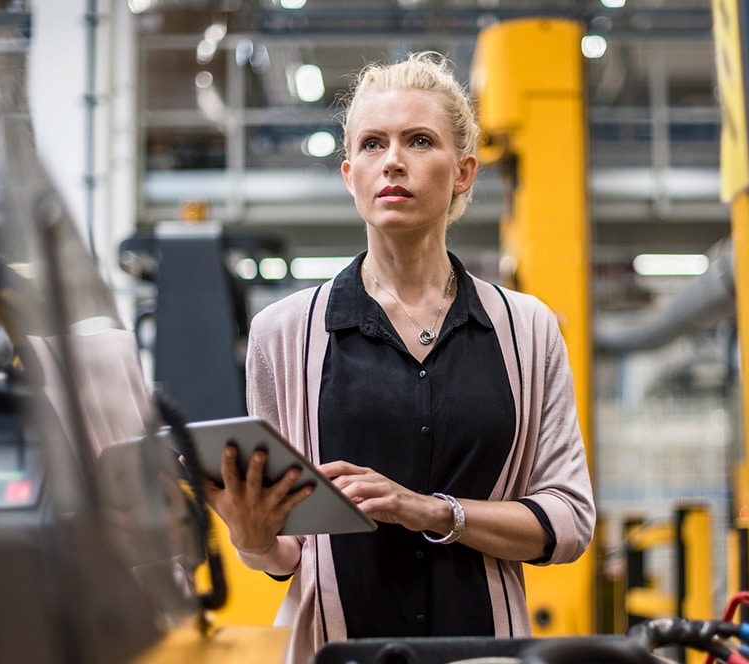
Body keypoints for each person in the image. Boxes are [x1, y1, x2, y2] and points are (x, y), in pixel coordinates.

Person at [201, 51, 596, 663]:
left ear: (463, 172)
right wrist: (251, 539)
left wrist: (430, 511)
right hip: (337, 650)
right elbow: (283, 551)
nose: (392, 161)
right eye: (371, 144)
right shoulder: (283, 334)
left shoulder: (527, 331)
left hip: (484, 652)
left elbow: (568, 521)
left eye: (418, 140)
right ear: (349, 173)